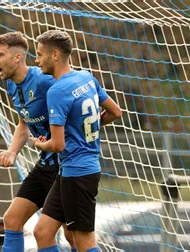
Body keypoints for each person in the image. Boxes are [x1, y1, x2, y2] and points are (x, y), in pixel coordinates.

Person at [30, 30, 122, 252]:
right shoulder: (86, 78)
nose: (36, 60)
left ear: (55, 55)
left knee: (84, 243)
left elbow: (57, 145)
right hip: (69, 173)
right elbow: (115, 112)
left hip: (79, 174)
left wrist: (39, 144)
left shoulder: (57, 91)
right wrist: (86, 129)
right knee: (42, 231)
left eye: (40, 54)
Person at [0, 32, 74, 251]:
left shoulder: (43, 80)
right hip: (45, 165)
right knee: (12, 220)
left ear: (18, 57)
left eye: (0, 54)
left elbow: (73, 91)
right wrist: (12, 152)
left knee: (71, 235)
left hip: (65, 167)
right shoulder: (12, 85)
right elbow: (23, 122)